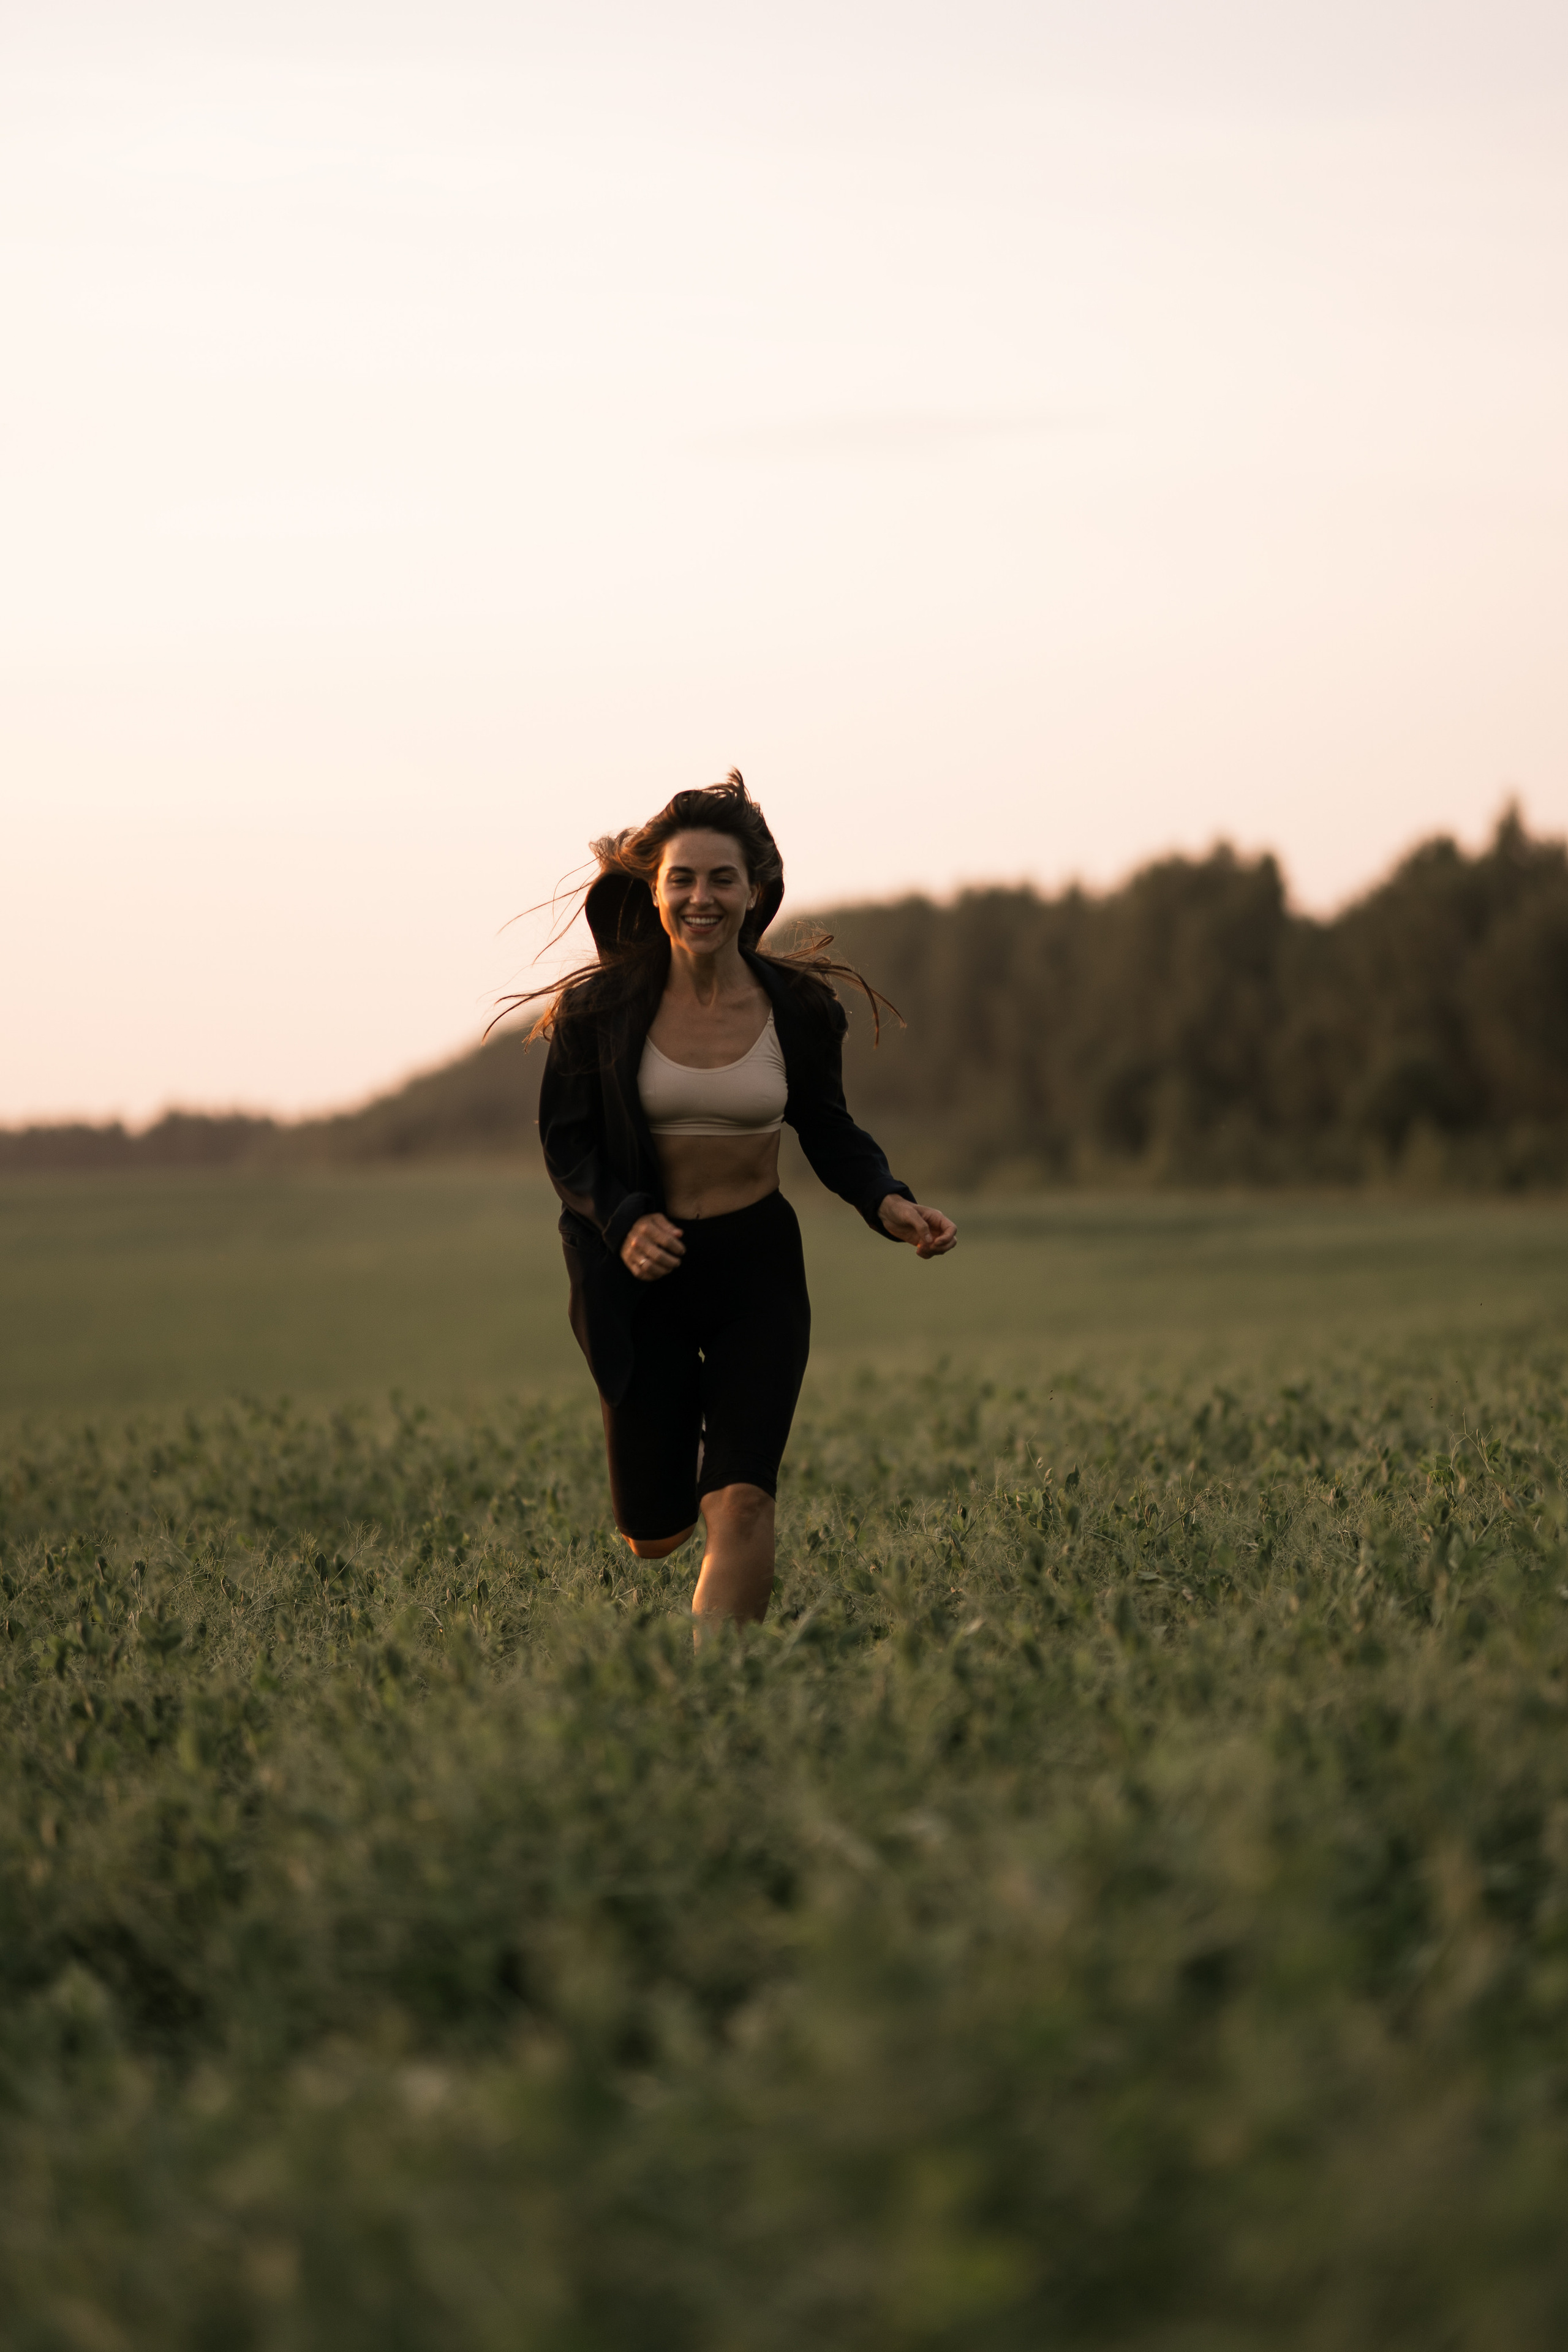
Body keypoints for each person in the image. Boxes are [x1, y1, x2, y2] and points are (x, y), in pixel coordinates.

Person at [530, 772, 957, 1627]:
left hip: (754, 1271)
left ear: (755, 891)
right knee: (655, 1533)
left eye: (722, 879)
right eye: (682, 879)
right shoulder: (600, 1012)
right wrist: (622, 1223)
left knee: (745, 1504)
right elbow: (567, 1145)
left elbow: (828, 1130)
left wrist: (888, 1201)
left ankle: (717, 1703)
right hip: (639, 1277)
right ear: (654, 890)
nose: (701, 897)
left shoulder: (795, 1009)